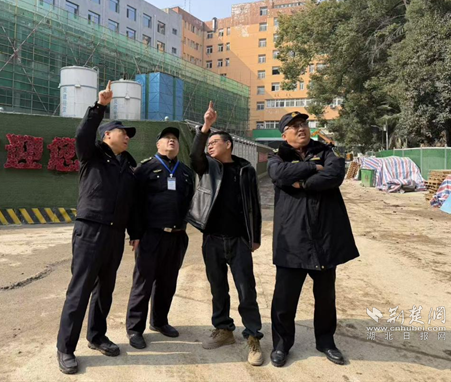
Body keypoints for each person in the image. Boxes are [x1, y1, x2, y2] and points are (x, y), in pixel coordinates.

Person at [56, 81, 138, 375]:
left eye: (129, 135)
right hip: (90, 231)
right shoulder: (91, 155)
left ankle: (97, 336)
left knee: (105, 289)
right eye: (122, 132)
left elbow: (132, 205)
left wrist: (135, 234)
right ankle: (66, 348)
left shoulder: (129, 168)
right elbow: (82, 134)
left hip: (115, 235)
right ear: (107, 135)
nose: (127, 137)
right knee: (79, 290)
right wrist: (100, 106)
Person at [267, 112, 359, 368]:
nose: (301, 129)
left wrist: (303, 184)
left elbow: (335, 175)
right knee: (284, 298)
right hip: (292, 239)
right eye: (294, 126)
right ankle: (281, 344)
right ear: (284, 134)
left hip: (323, 237)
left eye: (303, 124)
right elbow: (279, 174)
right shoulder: (278, 156)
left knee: (326, 297)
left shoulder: (325, 151)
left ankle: (326, 341)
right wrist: (311, 168)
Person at [186, 101, 264, 366]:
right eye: (208, 143)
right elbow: (195, 156)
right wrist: (205, 128)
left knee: (246, 290)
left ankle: (253, 336)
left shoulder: (245, 170)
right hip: (212, 239)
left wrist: (255, 237)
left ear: (228, 145)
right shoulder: (207, 167)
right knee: (218, 288)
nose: (210, 146)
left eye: (214, 142)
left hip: (239, 240)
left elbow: (254, 205)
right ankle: (224, 329)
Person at [125, 127, 195, 349]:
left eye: (175, 139)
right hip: (151, 235)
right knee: (143, 283)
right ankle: (135, 329)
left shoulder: (186, 172)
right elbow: (134, 204)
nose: (172, 141)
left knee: (168, 282)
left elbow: (190, 202)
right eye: (167, 138)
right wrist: (135, 234)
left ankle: (159, 321)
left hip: (177, 236)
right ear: (158, 144)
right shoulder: (145, 169)